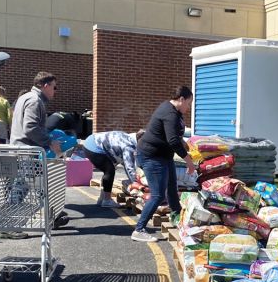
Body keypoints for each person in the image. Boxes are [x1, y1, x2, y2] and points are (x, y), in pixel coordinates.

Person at [132, 86, 196, 243]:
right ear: (181, 99)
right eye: (188, 103)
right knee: (158, 194)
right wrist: (188, 161)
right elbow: (172, 140)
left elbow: (173, 135)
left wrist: (185, 144)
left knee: (172, 189)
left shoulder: (173, 111)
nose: (189, 107)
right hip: (151, 156)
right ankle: (139, 230)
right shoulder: (169, 113)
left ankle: (177, 220)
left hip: (163, 156)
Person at [7, 72, 61, 239]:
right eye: (54, 87)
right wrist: (50, 141)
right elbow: (30, 128)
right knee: (21, 189)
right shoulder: (34, 101)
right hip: (27, 151)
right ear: (45, 86)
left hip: (22, 150)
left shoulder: (26, 98)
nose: (55, 91)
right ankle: (10, 225)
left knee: (38, 186)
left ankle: (51, 216)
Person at [82, 130, 144, 207]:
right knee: (109, 171)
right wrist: (136, 183)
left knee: (108, 169)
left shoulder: (129, 138)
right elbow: (129, 167)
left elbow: (127, 162)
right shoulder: (129, 146)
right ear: (140, 140)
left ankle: (102, 198)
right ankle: (107, 200)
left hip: (91, 142)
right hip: (93, 147)